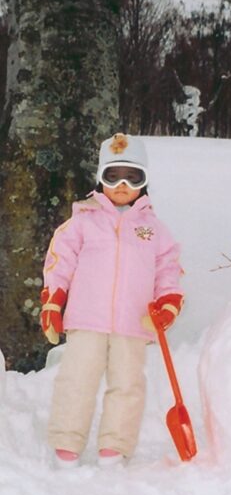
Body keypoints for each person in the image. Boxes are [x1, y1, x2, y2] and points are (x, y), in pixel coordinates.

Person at [40, 133, 184, 468]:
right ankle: (66, 442)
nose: (121, 184)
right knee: (76, 380)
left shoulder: (153, 229)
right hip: (86, 319)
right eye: (112, 176)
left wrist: (168, 302)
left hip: (133, 323)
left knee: (127, 384)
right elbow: (59, 261)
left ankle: (115, 446)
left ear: (144, 182)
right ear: (100, 179)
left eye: (132, 177)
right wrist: (53, 301)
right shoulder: (82, 221)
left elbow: (168, 268)